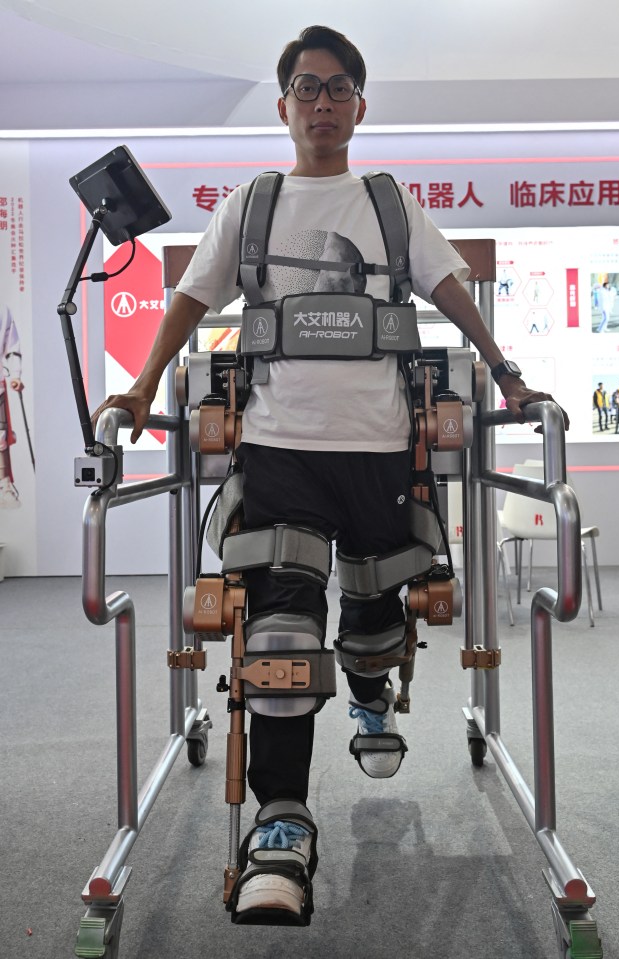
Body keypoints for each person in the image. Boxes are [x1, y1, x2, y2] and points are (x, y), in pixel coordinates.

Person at [92, 25, 569, 925]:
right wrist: (145, 384)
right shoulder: (253, 204)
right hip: (280, 452)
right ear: (282, 107)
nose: (321, 101)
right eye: (306, 88)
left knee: (376, 616)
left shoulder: (390, 205)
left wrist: (507, 373)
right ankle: (280, 826)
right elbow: (192, 295)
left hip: (382, 451)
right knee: (277, 636)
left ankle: (370, 691)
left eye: (338, 86)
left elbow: (452, 290)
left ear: (360, 104)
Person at [0, 304, 23, 509]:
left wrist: (15, 374)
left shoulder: (2, 310)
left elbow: (11, 346)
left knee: (0, 437)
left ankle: (4, 485)